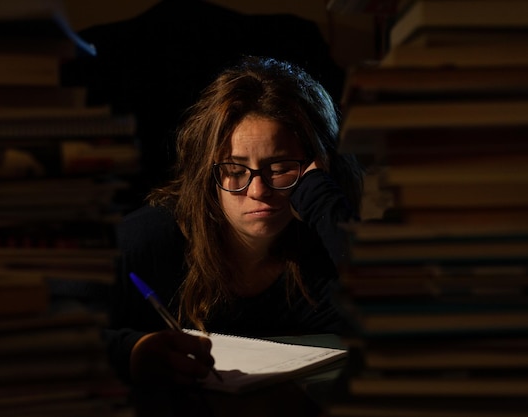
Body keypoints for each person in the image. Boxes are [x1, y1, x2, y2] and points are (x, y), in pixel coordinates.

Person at [106, 56, 364, 386]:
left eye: (281, 167)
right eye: (234, 170)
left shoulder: (317, 250)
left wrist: (325, 203)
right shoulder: (147, 239)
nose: (258, 190)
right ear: (208, 175)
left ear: (319, 167)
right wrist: (133, 350)